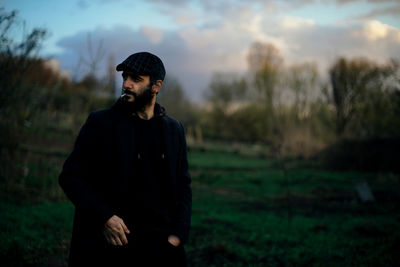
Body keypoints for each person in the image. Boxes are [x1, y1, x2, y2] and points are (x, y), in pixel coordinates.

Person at [59, 52, 192, 266]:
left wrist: (178, 235)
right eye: (125, 77)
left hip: (160, 246)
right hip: (110, 247)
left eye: (136, 79)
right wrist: (103, 217)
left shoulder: (174, 129)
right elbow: (70, 177)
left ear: (156, 86)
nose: (127, 85)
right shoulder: (101, 123)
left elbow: (183, 185)